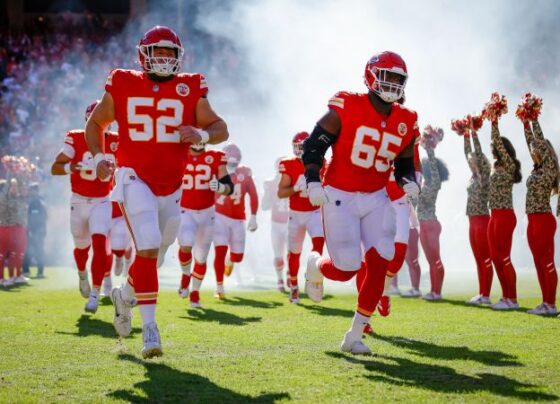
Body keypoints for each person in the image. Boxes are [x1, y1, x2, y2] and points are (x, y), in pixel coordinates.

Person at [85, 25, 229, 358]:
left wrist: (201, 135)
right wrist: (97, 157)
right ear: (144, 55)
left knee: (156, 254)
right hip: (133, 176)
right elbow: (96, 123)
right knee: (147, 244)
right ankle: (150, 330)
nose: (164, 59)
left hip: (172, 185)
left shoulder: (190, 85)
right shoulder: (123, 81)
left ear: (179, 57)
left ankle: (125, 295)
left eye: (169, 53)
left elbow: (220, 127)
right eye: (158, 52)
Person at [302, 51, 420, 354]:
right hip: (340, 195)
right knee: (346, 268)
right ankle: (314, 265)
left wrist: (409, 180)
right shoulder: (347, 104)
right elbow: (314, 144)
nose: (392, 83)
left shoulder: (406, 120)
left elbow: (404, 162)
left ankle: (354, 335)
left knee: (381, 260)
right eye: (387, 76)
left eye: (398, 79)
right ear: (371, 75)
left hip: (376, 197)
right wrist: (313, 179)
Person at [51, 100, 117, 313]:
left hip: (102, 200)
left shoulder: (116, 141)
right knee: (82, 247)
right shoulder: (77, 138)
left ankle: (96, 295)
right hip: (79, 200)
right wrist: (74, 166)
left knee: (99, 244)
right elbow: (55, 168)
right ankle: (82, 274)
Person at [178, 142, 232, 308]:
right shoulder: (178, 153)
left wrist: (221, 187)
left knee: (201, 257)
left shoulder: (216, 156)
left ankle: (195, 293)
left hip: (207, 213)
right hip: (185, 210)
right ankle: (186, 274)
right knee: (186, 244)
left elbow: (229, 187)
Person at [519, 105, 559, 315]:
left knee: (546, 260)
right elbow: (530, 141)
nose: (532, 151)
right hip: (533, 220)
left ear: (546, 152)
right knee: (538, 261)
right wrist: (524, 121)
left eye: (537, 150)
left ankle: (551, 304)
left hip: (544, 219)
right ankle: (545, 303)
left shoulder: (550, 166)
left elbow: (537, 141)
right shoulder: (537, 168)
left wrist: (533, 118)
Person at [278, 132, 325, 304]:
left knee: (319, 242)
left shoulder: (320, 162)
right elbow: (281, 192)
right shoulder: (288, 164)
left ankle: (312, 274)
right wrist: (296, 188)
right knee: (294, 252)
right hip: (296, 214)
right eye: (298, 146)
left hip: (314, 212)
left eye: (303, 146)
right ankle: (294, 287)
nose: (300, 150)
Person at [211, 143, 258, 298]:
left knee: (237, 256)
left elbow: (253, 194)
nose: (230, 166)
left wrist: (253, 216)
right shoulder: (214, 170)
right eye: (228, 162)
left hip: (238, 218)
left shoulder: (245, 172)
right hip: (219, 216)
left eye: (233, 163)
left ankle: (229, 260)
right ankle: (219, 287)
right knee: (220, 250)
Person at [487, 117, 522, 310]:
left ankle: (513, 299)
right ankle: (505, 296)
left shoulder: (509, 164)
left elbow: (498, 142)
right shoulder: (496, 165)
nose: (493, 148)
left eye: (495, 146)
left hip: (505, 215)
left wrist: (494, 121)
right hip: (494, 215)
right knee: (495, 257)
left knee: (504, 256)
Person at [463, 126, 493, 305]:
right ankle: (481, 293)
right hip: (472, 221)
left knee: (485, 257)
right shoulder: (472, 176)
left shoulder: (484, 174)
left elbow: (479, 153)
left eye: (473, 159)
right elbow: (467, 151)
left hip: (482, 219)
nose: (471, 161)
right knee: (477, 258)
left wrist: (474, 133)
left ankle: (486, 295)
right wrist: (465, 135)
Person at [418, 143, 449, 301]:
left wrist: (429, 149)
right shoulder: (423, 184)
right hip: (423, 224)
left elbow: (433, 168)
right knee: (431, 260)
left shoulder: (434, 184)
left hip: (431, 224)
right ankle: (434, 290)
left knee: (435, 259)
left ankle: (437, 291)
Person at [262, 158, 289, 292]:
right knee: (278, 254)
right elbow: (264, 206)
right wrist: (268, 195)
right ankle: (280, 279)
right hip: (276, 223)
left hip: (291, 223)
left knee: (291, 253)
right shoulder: (270, 183)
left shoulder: (293, 180)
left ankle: (290, 274)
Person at [0, 178, 29, 286]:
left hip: (17, 227)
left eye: (16, 186)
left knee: (15, 253)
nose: (15, 189)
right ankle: (2, 278)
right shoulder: (4, 199)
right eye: (13, 186)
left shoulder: (18, 198)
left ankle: (15, 276)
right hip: (5, 227)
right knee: (2, 255)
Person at [23, 182, 47, 278]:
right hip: (32, 231)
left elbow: (39, 218)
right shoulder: (31, 202)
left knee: (37, 251)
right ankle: (26, 271)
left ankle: (38, 272)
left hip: (37, 232)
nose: (30, 192)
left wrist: (33, 230)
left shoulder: (39, 203)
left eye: (32, 190)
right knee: (29, 251)